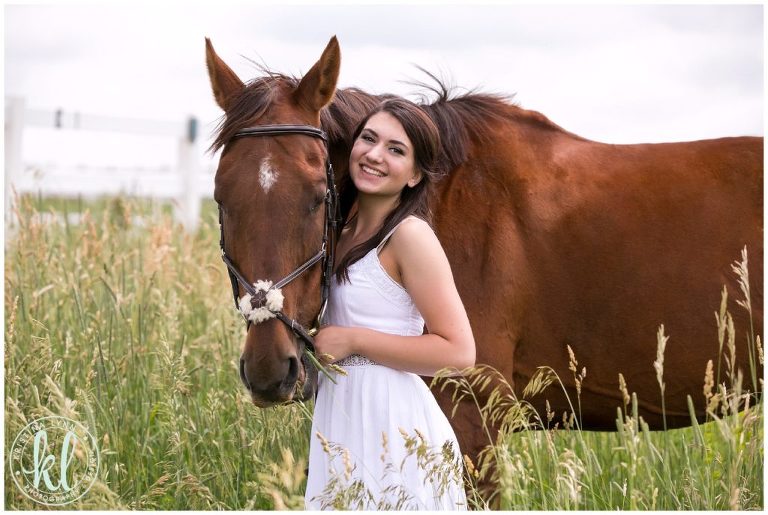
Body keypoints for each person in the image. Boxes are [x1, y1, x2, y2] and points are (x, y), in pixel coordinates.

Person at [304, 98, 476, 510]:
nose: (375, 155)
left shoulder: (409, 237)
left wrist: (354, 340)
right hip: (339, 418)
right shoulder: (337, 230)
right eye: (369, 139)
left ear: (416, 175)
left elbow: (458, 352)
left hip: (394, 424)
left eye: (396, 150)